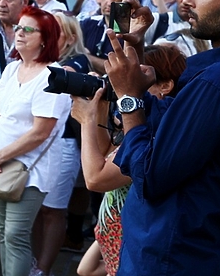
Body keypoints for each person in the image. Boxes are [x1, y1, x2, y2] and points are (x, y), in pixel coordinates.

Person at [104, 0, 220, 275]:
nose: (186, 0)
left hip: (174, 256)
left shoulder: (217, 82)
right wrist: (136, 51)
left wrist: (129, 99)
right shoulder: (210, 70)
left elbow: (149, 176)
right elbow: (169, 121)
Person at [73, 44, 187, 276]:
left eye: (139, 80)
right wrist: (102, 106)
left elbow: (95, 178)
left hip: (135, 239)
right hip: (117, 234)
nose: (126, 87)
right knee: (86, 269)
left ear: (165, 86)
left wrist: (86, 121)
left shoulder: (158, 135)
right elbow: (107, 152)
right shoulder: (142, 124)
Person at [0, 7, 71, 276]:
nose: (19, 33)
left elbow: (40, 132)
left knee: (17, 233)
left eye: (28, 29)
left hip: (31, 168)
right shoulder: (11, 69)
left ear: (45, 38)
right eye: (18, 27)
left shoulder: (52, 77)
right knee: (5, 232)